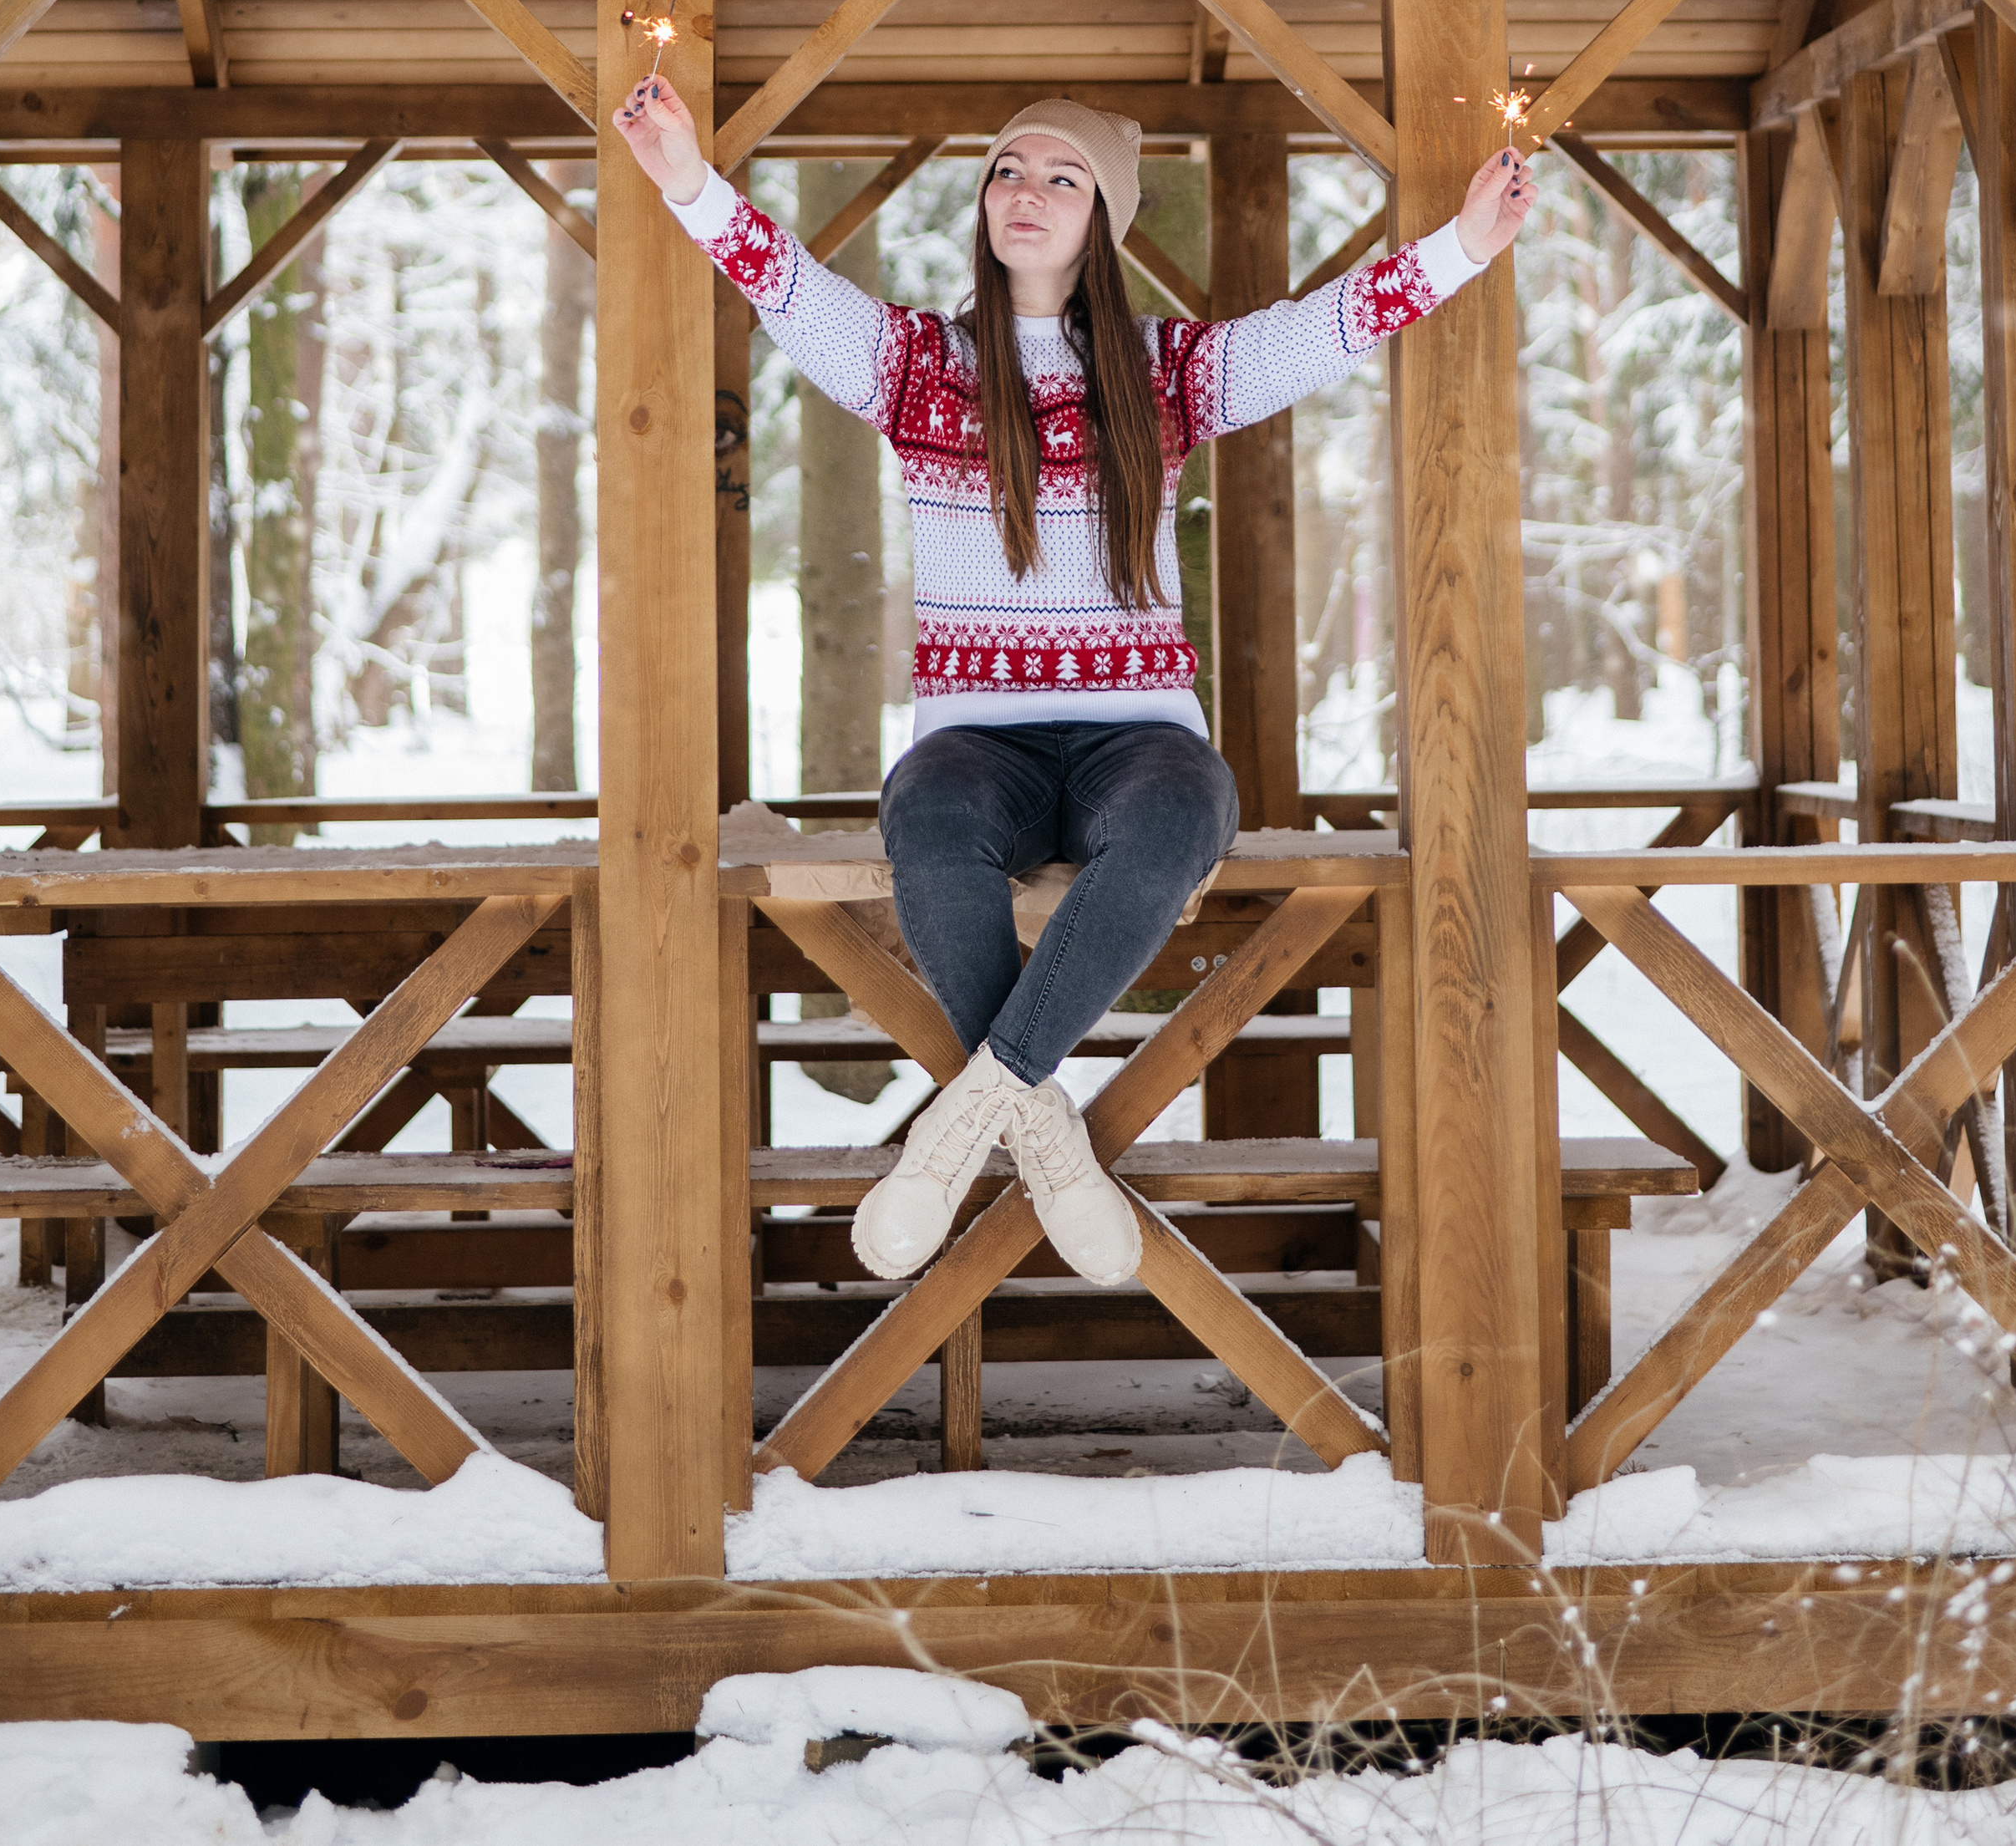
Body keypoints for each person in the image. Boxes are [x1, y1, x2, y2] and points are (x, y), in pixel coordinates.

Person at [617, 79, 1533, 1294]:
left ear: (1105, 214)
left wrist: (1464, 244)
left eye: (1060, 176)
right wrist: (688, 176)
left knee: (1185, 807)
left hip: (1133, 737)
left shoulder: (1166, 375)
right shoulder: (917, 367)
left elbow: (1329, 327)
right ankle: (1052, 1142)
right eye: (1006, 171)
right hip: (974, 745)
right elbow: (778, 278)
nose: (1026, 194)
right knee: (923, 813)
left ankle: (961, 1128)